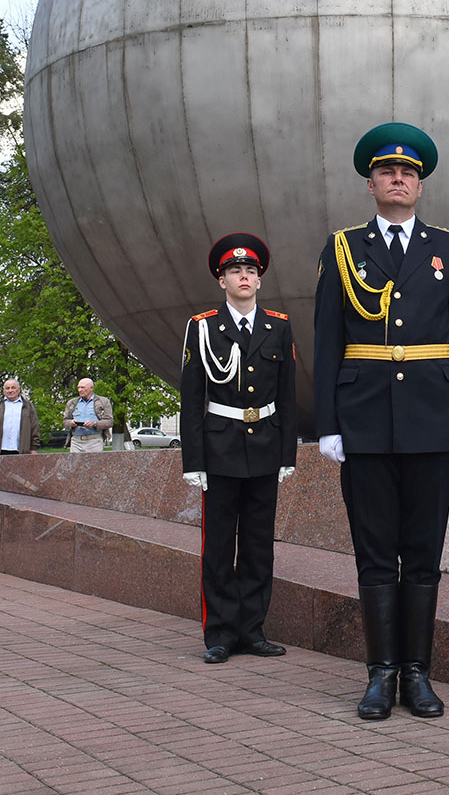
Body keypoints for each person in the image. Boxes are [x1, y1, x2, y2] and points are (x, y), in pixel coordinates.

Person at [314, 122, 449, 721]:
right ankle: (381, 674)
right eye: (387, 171)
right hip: (362, 420)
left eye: (408, 173)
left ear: (419, 185)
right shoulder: (342, 247)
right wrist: (327, 423)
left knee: (424, 551)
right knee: (375, 552)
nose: (398, 179)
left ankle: (418, 674)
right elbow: (327, 337)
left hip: (432, 416)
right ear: (370, 183)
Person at [182, 232, 297, 663]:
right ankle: (220, 634)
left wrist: (287, 454)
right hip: (219, 449)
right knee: (217, 548)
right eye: (235, 271)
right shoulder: (203, 327)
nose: (244, 276)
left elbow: (286, 396)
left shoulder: (278, 326)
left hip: (265, 447)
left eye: (250, 271)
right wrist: (193, 460)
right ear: (222, 280)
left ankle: (252, 629)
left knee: (257, 544)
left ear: (260, 280)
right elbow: (191, 398)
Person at [0, 379, 42, 455]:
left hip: (22, 451)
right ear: (4, 390)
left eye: (13, 387)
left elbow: (34, 428)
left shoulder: (28, 407)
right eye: (7, 388)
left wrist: (33, 448)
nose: (10, 390)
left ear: (18, 390)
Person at [64, 378, 113, 453]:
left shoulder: (103, 401)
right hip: (76, 442)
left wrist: (95, 424)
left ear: (91, 388)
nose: (79, 390)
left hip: (95, 442)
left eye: (82, 387)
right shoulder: (72, 403)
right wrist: (71, 423)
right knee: (75, 464)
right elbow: (65, 421)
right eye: (78, 387)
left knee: (95, 464)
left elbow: (110, 422)